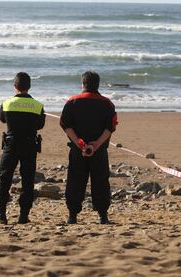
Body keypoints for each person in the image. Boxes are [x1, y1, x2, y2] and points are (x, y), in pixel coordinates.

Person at [60, 71, 118, 224]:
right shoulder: (107, 104)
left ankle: (73, 215)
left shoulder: (71, 102)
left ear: (82, 84)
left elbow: (66, 126)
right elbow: (110, 127)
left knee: (75, 181)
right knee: (100, 182)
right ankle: (102, 216)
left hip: (78, 150)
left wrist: (80, 145)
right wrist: (97, 144)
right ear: (97, 85)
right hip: (98, 151)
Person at [0, 72, 46, 224]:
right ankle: (23, 215)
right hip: (29, 145)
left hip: (11, 144)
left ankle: (1, 213)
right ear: (29, 86)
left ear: (15, 86)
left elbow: (2, 119)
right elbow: (40, 125)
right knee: (27, 180)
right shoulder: (38, 105)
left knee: (4, 178)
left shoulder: (7, 103)